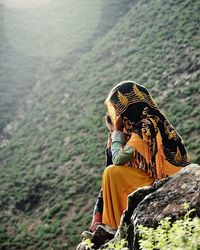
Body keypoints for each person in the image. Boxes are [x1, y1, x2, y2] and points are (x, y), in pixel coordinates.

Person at [85, 80, 190, 236]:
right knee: (112, 173)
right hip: (155, 180)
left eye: (117, 107)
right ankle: (108, 226)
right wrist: (97, 213)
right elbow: (113, 163)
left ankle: (115, 228)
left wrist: (117, 134)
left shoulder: (146, 125)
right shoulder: (140, 126)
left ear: (128, 105)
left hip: (164, 182)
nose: (117, 114)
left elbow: (118, 159)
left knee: (113, 173)